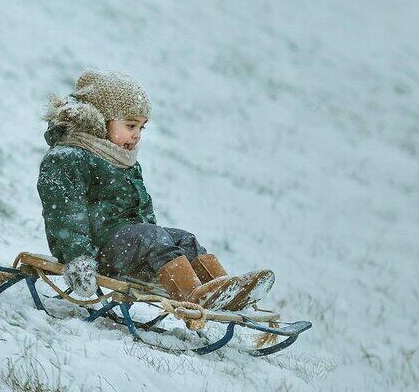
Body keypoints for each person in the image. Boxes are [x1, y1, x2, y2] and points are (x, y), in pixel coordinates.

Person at [36, 70, 274, 310]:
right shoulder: (68, 157)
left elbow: (141, 208)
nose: (137, 135)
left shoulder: (121, 159)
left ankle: (224, 289)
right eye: (130, 125)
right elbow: (65, 214)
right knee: (152, 238)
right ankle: (193, 296)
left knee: (184, 239)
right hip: (96, 251)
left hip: (127, 243)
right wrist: (78, 259)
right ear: (101, 120)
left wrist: (156, 248)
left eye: (142, 127)